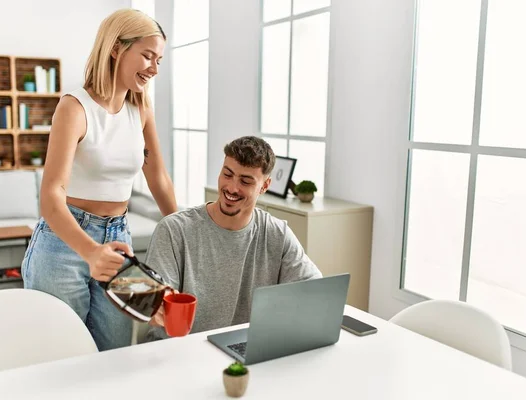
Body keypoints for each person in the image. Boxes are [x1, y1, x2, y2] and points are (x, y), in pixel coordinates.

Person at [21, 9, 178, 351]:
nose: (154, 68)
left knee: (116, 351)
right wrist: (91, 251)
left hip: (118, 241)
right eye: (148, 56)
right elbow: (51, 196)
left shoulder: (141, 109)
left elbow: (159, 179)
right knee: (62, 353)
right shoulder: (74, 107)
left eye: (159, 60)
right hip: (63, 243)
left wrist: (185, 233)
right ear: (116, 48)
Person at [145, 136, 322, 341]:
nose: (231, 188)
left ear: (264, 186)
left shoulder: (276, 234)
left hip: (243, 349)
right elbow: (153, 302)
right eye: (227, 174)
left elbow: (314, 291)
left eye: (245, 181)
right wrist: (154, 305)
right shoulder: (174, 230)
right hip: (178, 351)